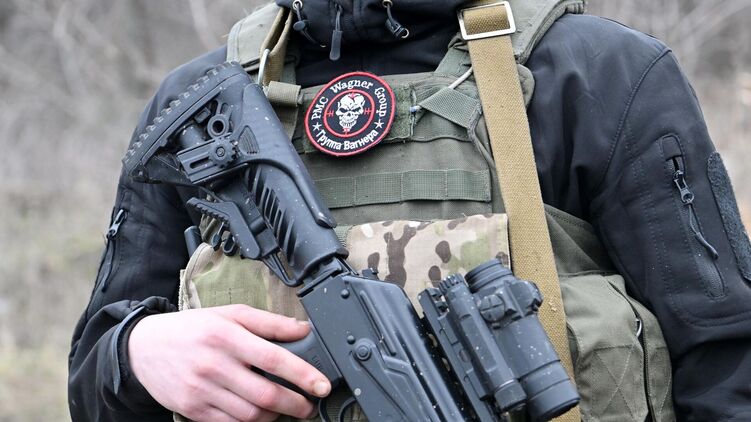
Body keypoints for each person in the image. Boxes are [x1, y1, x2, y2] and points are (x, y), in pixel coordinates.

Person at [68, 1, 751, 421]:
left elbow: (727, 362)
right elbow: (92, 378)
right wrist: (137, 353)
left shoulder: (595, 72)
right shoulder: (201, 105)